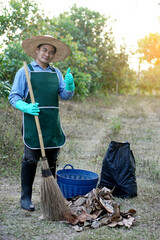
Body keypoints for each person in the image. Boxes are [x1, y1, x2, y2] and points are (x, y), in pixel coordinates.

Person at [9, 35, 75, 211]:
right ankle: (26, 198)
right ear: (37, 51)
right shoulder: (25, 71)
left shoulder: (56, 73)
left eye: (51, 52)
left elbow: (65, 96)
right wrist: (25, 106)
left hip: (52, 124)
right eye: (45, 50)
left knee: (52, 160)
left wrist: (69, 86)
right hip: (33, 122)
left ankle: (49, 197)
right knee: (30, 160)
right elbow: (14, 96)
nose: (48, 54)